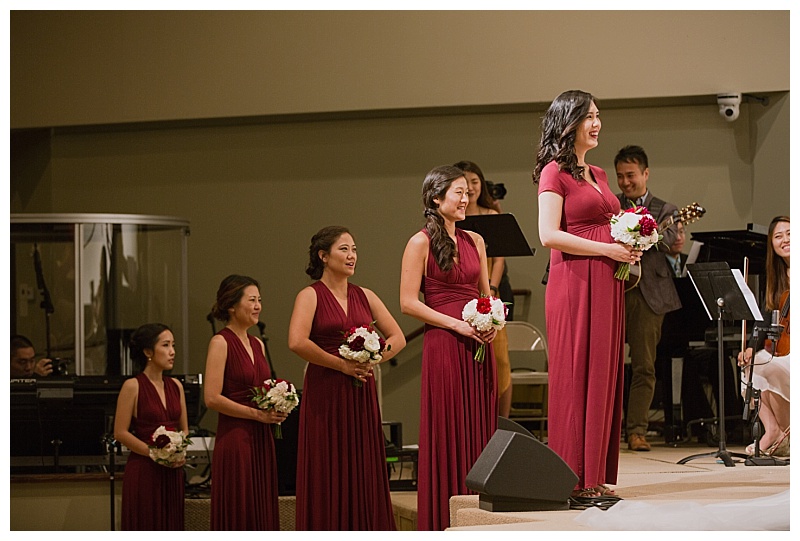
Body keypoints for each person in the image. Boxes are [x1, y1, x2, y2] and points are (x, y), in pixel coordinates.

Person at [534, 90, 638, 498]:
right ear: (567, 122)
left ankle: (593, 476)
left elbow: (610, 226)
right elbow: (548, 235)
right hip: (574, 283)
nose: (596, 123)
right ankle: (571, 478)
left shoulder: (600, 174)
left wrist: (631, 247)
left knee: (603, 374)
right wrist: (608, 249)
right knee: (576, 373)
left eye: (598, 115)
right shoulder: (552, 173)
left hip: (607, 284)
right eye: (587, 116)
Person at [288, 225, 406, 530]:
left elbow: (397, 337)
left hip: (360, 389)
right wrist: (340, 365)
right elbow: (297, 341)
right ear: (323, 256)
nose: (352, 255)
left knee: (362, 463)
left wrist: (373, 358)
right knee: (328, 465)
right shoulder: (310, 295)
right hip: (326, 389)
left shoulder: (365, 295)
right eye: (344, 249)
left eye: (354, 249)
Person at [400, 165, 498, 530]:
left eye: (466, 191)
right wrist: (456, 324)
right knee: (449, 427)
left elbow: (485, 295)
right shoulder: (419, 242)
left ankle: (480, 511)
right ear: (436, 198)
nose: (465, 198)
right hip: (444, 344)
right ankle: (447, 515)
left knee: (478, 426)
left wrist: (492, 325)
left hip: (478, 345)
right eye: (457, 192)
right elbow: (408, 302)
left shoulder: (477, 240)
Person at [204, 274, 286, 530]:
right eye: (251, 300)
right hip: (236, 438)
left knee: (261, 505)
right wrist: (257, 415)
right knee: (240, 507)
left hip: (262, 438)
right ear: (231, 305)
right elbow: (212, 398)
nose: (258, 306)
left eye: (259, 300)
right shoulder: (220, 342)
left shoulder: (258, 344)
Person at [614, 145, 683, 452]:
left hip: (649, 296)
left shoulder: (665, 209)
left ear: (645, 173)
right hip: (614, 291)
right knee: (610, 367)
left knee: (644, 365)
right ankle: (607, 429)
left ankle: (637, 430)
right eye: (620, 177)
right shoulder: (610, 206)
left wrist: (650, 234)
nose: (626, 182)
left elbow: (670, 241)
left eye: (630, 175)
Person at [113, 323, 188, 530]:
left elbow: (185, 429)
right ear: (148, 351)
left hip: (172, 471)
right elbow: (120, 432)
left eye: (173, 345)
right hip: (144, 470)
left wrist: (178, 450)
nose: (172, 351)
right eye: (165, 345)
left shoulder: (176, 386)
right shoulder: (132, 386)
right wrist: (155, 454)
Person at [454, 160, 513, 419]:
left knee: (500, 361)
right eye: (464, 184)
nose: (470, 188)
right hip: (461, 297)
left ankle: (501, 422)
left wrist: (491, 289)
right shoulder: (454, 218)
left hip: (490, 295)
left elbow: (499, 258)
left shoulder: (492, 215)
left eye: (475, 182)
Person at [738, 216, 790, 457]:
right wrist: (750, 346)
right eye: (778, 237)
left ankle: (786, 430)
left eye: (789, 233)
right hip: (786, 349)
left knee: (767, 367)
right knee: (753, 363)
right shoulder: (777, 279)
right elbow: (764, 317)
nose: (785, 240)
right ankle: (773, 431)